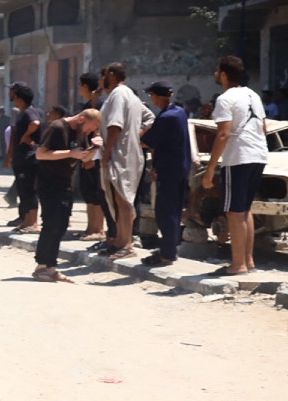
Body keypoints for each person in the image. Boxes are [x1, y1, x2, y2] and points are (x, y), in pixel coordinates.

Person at [201, 54, 268, 276]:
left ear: (223, 74)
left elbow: (223, 134)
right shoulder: (254, 95)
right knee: (245, 210)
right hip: (259, 155)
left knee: (233, 212)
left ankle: (237, 265)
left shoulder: (225, 99)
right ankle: (247, 261)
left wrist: (210, 169)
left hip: (238, 157)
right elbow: (264, 128)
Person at [31, 110, 98, 282]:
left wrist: (96, 147)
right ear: (81, 119)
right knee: (51, 224)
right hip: (49, 184)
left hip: (65, 184)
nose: (89, 132)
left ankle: (51, 267)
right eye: (90, 128)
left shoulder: (81, 132)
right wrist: (70, 153)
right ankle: (41, 267)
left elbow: (84, 159)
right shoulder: (58, 127)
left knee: (61, 226)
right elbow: (41, 154)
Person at [96, 63, 154, 259]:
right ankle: (119, 241)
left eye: (102, 76)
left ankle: (127, 244)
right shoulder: (125, 94)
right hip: (125, 151)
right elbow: (149, 118)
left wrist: (108, 152)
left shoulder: (120, 94)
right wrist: (134, 137)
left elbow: (115, 126)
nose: (100, 81)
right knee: (118, 198)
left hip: (120, 154)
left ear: (110, 75)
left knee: (124, 199)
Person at [143, 82, 192, 267]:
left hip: (169, 170)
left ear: (158, 96)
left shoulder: (166, 117)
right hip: (180, 168)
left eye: (152, 96)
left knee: (166, 212)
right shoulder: (179, 112)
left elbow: (148, 141)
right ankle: (170, 248)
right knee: (174, 210)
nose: (152, 99)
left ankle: (167, 254)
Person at [75, 73, 108, 242]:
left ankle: (99, 229)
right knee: (88, 192)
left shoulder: (98, 106)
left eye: (80, 85)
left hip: (94, 155)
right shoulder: (88, 105)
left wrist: (92, 157)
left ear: (86, 86)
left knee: (96, 193)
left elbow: (97, 132)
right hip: (86, 155)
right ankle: (90, 227)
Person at [6, 83, 42, 232]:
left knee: (29, 190)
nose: (14, 100)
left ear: (21, 99)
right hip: (22, 158)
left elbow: (35, 123)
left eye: (16, 97)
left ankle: (33, 223)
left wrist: (26, 135)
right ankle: (27, 221)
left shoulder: (29, 112)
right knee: (23, 192)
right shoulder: (23, 113)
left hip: (29, 158)